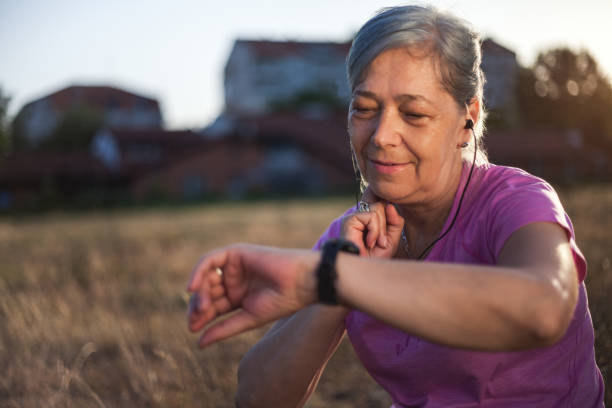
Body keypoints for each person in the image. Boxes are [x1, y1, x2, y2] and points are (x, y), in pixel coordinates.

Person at [186, 5, 605, 407]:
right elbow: (257, 398)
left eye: (414, 113)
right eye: (365, 109)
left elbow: (545, 308)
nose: (382, 135)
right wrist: (336, 287)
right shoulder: (352, 236)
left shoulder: (517, 200)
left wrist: (338, 277)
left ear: (468, 120)